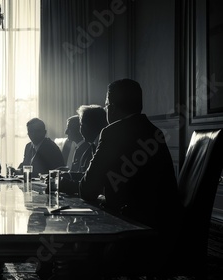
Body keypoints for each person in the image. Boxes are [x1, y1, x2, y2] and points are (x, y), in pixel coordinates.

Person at [78, 79, 182, 272]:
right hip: (165, 232)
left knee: (78, 249)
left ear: (113, 107)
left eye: (107, 105)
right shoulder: (154, 131)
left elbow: (87, 189)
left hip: (131, 235)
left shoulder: (112, 132)